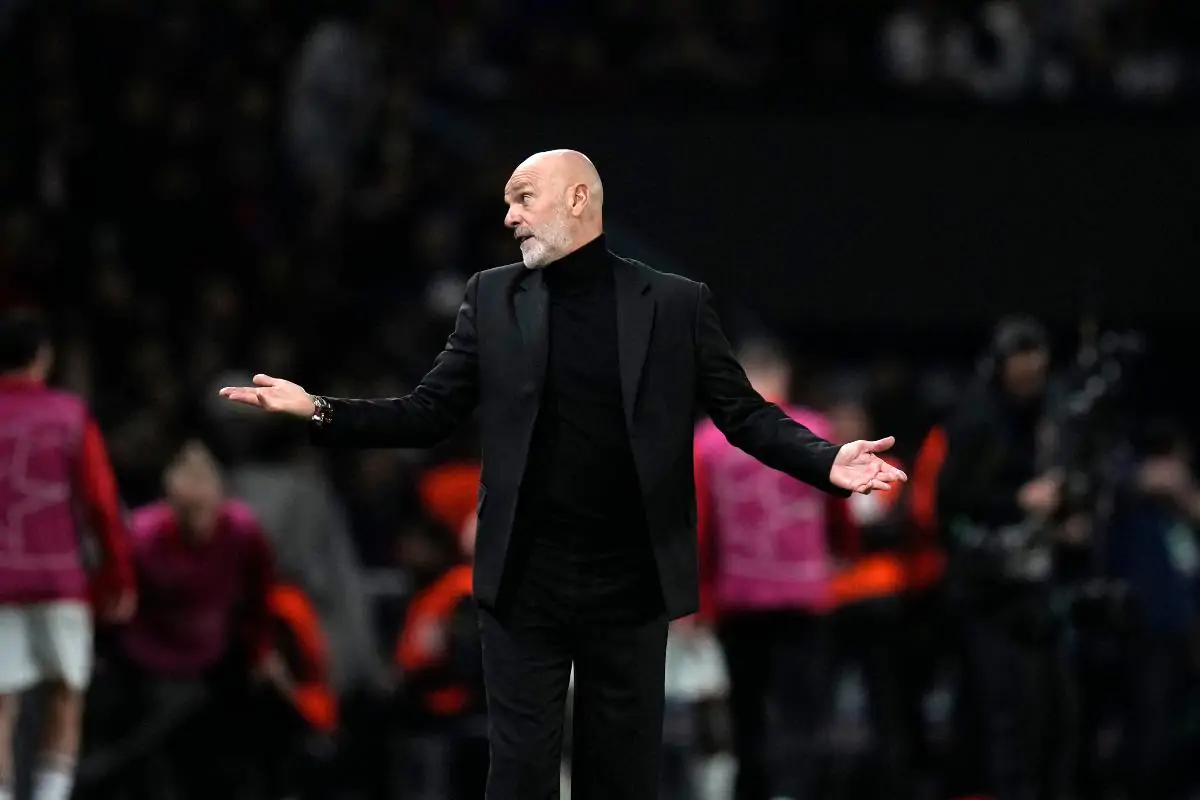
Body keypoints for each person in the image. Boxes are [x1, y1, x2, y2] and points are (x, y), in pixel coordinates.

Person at [219, 148, 907, 800]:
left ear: (578, 199)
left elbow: (744, 414)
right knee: (521, 773)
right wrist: (318, 409)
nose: (509, 216)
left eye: (524, 198)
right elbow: (427, 413)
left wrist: (825, 459)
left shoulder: (674, 304)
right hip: (524, 575)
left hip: (631, 576)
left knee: (621, 776)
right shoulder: (491, 297)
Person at [691, 337, 838, 800]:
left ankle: (751, 791)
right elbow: (841, 510)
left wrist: (698, 598)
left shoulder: (708, 441)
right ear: (783, 377)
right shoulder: (816, 429)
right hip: (804, 594)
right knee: (803, 713)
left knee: (746, 712)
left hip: (739, 597)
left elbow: (699, 526)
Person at [0, 308, 135, 800]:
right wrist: (119, 580)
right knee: (65, 698)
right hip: (61, 584)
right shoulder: (70, 415)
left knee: (1, 705)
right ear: (43, 357)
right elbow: (101, 505)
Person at [112, 441, 281, 799]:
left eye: (203, 509)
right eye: (187, 511)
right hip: (152, 659)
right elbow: (119, 600)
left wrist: (261, 650)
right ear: (171, 504)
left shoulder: (243, 531)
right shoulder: (141, 536)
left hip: (215, 658)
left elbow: (260, 595)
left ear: (219, 499)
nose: (197, 522)